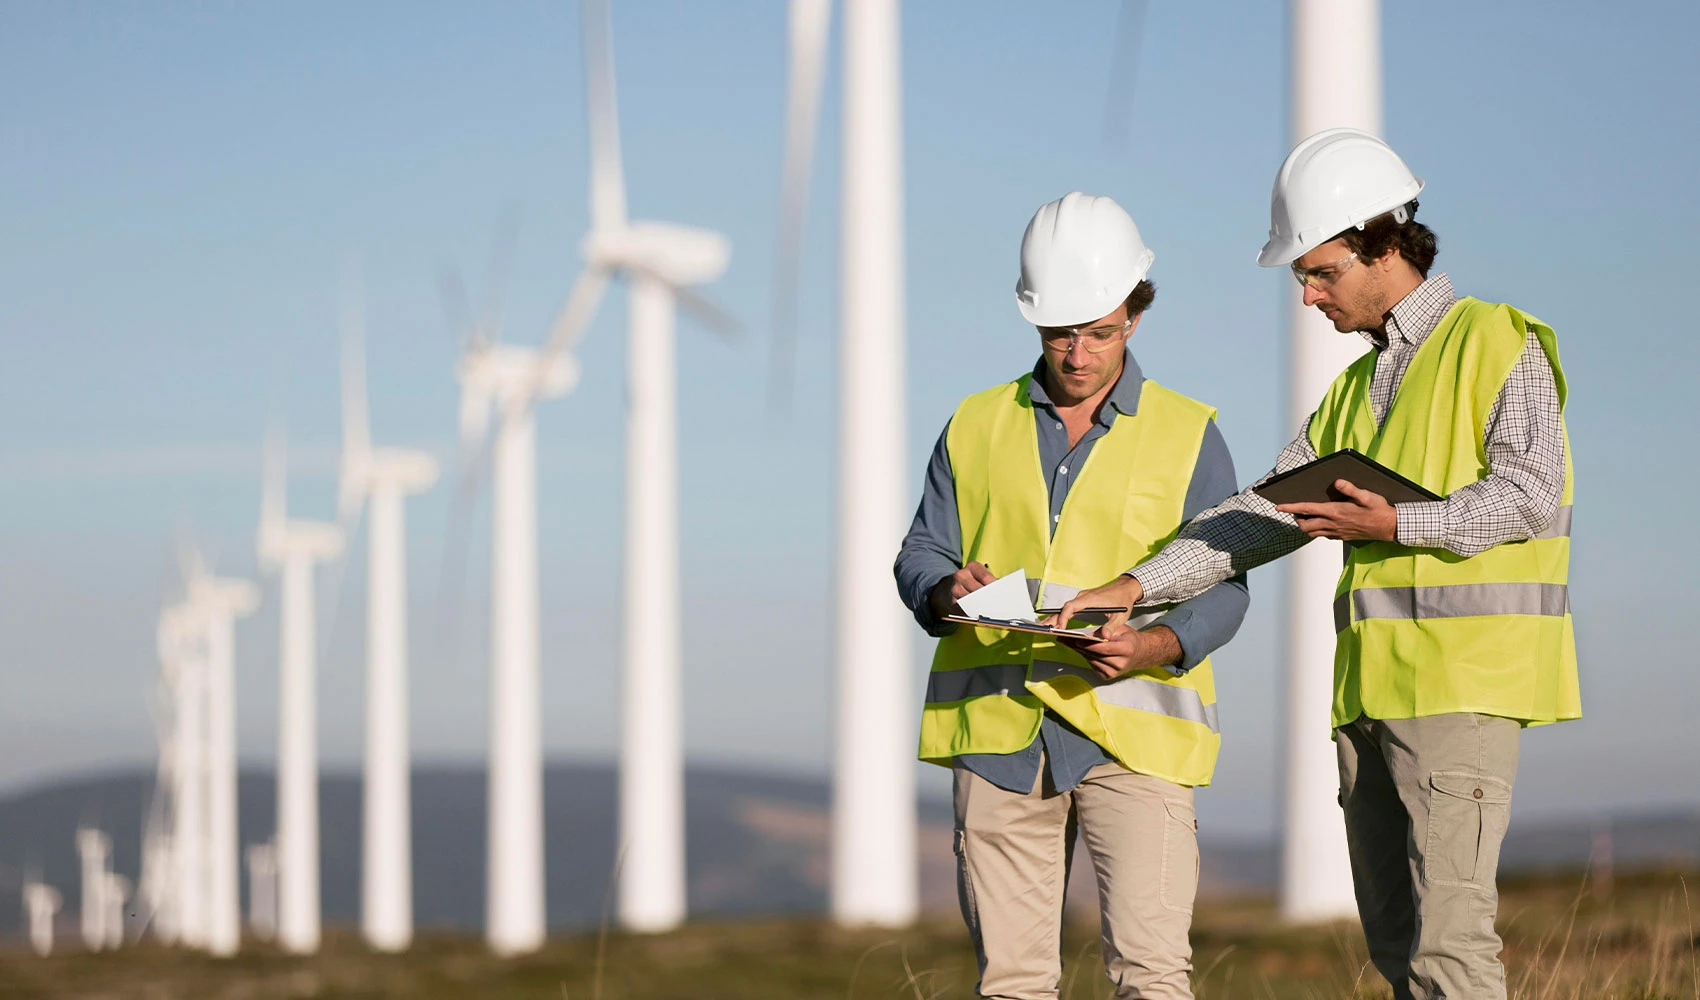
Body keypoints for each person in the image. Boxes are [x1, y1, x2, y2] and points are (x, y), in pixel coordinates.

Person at [1052, 129, 1579, 1000]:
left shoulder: (1495, 341)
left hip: (1463, 690)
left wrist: (1400, 521)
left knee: (1451, 949)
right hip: (1372, 694)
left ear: (1381, 243)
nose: (1307, 296)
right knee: (1400, 948)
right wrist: (1134, 586)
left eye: (1319, 271)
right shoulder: (1354, 389)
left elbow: (1532, 492)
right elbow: (1264, 513)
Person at [895, 192, 1250, 1000]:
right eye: (1061, 334)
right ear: (1032, 320)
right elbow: (922, 550)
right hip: (997, 730)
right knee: (1011, 983)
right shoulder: (974, 424)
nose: (1079, 353)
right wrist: (944, 587)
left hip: (1138, 735)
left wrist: (1155, 645)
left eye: (1100, 331)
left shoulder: (1189, 431)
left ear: (1135, 313)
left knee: (1152, 977)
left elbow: (1226, 587)